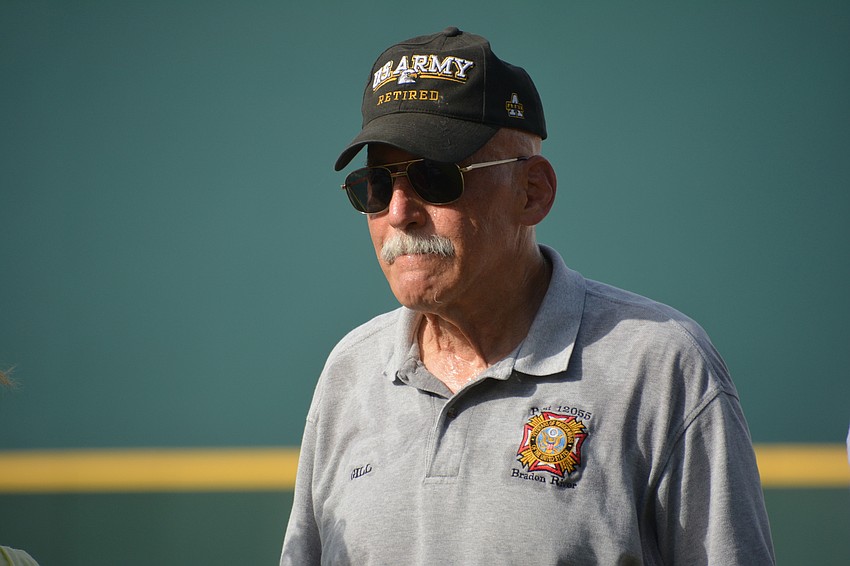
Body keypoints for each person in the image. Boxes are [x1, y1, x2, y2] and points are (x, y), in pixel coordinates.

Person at [280, 27, 775, 565]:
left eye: (436, 177)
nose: (399, 212)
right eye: (376, 184)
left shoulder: (659, 366)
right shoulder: (349, 372)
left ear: (533, 192)